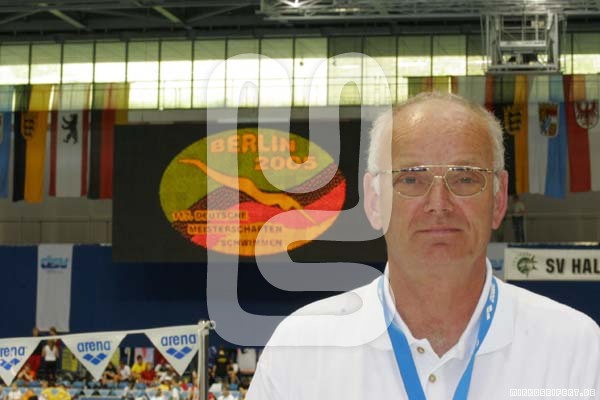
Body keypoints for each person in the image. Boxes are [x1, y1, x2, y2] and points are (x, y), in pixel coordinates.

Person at [246, 92, 600, 399]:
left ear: (498, 199)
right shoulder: (301, 351)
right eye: (411, 179)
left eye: (465, 178)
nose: (439, 204)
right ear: (374, 201)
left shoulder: (575, 351)